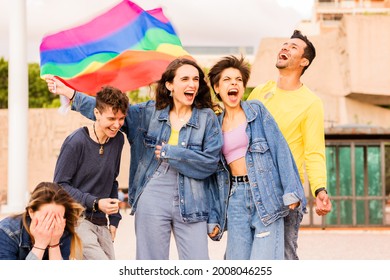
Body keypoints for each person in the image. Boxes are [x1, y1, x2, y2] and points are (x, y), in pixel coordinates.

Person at [45, 57, 222, 260]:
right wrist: (70, 93)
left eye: (196, 79)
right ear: (169, 84)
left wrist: (171, 153)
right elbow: (107, 109)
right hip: (152, 195)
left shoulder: (207, 117)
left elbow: (211, 163)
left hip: (193, 200)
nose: (192, 84)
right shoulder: (147, 113)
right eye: (185, 79)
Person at [207, 55, 306, 260]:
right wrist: (214, 218)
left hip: (266, 194)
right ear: (217, 88)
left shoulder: (257, 111)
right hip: (235, 198)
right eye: (227, 80)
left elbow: (281, 149)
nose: (234, 83)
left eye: (239, 80)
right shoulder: (214, 125)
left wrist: (291, 190)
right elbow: (214, 178)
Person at [247, 30, 332, 260]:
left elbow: (314, 152)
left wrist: (320, 189)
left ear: (304, 61)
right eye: (285, 44)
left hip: (285, 193)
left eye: (293, 47)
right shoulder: (260, 91)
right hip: (252, 187)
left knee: (284, 256)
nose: (285, 47)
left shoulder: (311, 103)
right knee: (247, 257)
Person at [53, 86, 129, 260]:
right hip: (77, 220)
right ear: (96, 113)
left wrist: (115, 219)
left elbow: (112, 180)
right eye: (111, 118)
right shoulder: (76, 142)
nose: (117, 125)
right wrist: (95, 203)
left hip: (102, 222)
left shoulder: (118, 140)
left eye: (121, 119)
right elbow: (59, 186)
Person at [0, 182, 84, 260]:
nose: (51, 223)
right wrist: (40, 245)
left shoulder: (62, 229)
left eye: (57, 217)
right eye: (46, 217)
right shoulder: (7, 231)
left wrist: (54, 244)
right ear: (31, 212)